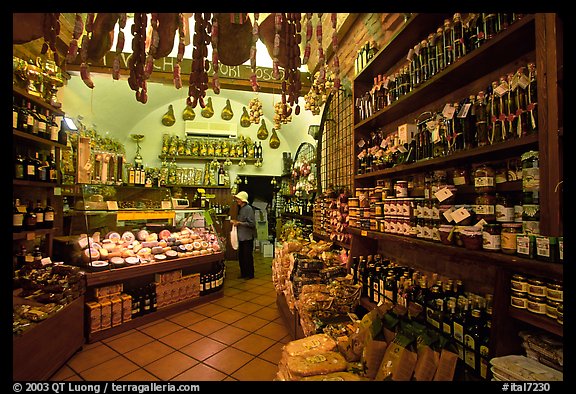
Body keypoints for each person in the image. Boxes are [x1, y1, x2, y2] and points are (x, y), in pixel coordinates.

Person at [230, 191, 256, 279]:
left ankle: (249, 274)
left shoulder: (248, 209)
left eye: (238, 199)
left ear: (243, 200)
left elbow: (252, 224)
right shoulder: (241, 208)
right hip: (241, 237)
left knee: (247, 257)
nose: (236, 200)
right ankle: (244, 273)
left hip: (247, 237)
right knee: (242, 256)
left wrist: (239, 223)